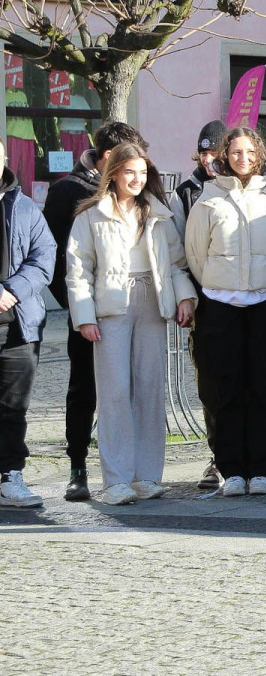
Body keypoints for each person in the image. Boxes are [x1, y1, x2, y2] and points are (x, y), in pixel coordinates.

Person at [65, 141, 197, 505]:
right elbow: (78, 272)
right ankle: (116, 480)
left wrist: (185, 297)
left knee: (150, 390)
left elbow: (176, 263)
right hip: (111, 309)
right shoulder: (90, 215)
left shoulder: (158, 212)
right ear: (114, 174)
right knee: (114, 393)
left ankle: (147, 476)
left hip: (152, 303)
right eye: (129, 172)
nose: (136, 179)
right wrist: (85, 317)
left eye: (142, 172)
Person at [185, 127, 266, 498]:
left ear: (260, 154)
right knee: (226, 389)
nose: (242, 157)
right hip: (221, 307)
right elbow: (196, 256)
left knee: (264, 388)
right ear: (224, 155)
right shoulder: (208, 199)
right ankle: (231, 468)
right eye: (235, 151)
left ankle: (263, 469)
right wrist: (222, 285)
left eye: (249, 151)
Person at [42, 122, 129, 501]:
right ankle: (78, 467)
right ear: (108, 156)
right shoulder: (67, 192)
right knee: (83, 390)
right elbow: (55, 259)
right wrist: (79, 310)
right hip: (87, 313)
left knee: (130, 388)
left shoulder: (134, 188)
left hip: (128, 310)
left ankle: (129, 468)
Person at [0, 139, 56, 509]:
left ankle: (9, 476)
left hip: (18, 325)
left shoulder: (24, 208)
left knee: (13, 407)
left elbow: (44, 257)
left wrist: (11, 291)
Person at [175, 118, 225, 491]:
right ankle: (218, 456)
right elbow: (179, 252)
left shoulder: (243, 186)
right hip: (203, 303)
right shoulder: (186, 192)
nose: (209, 160)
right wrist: (186, 296)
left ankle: (247, 455)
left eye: (215, 153)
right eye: (204, 153)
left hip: (239, 299)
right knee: (209, 383)